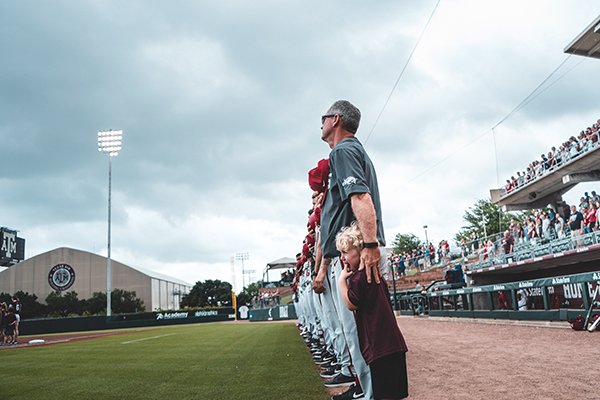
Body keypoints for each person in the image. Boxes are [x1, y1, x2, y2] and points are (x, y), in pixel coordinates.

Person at [315, 100, 386, 400]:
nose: (320, 123)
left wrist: (370, 245)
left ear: (336, 119)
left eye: (323, 117)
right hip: (354, 250)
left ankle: (370, 394)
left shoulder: (343, 150)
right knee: (358, 330)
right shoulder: (346, 151)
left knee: (360, 332)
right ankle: (365, 390)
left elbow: (360, 196)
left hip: (358, 251)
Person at [336, 223, 408, 400]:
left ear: (360, 251)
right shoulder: (373, 272)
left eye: (345, 252)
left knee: (384, 395)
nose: (342, 258)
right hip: (392, 345)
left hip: (379, 347)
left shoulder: (359, 277)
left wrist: (341, 281)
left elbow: (351, 304)